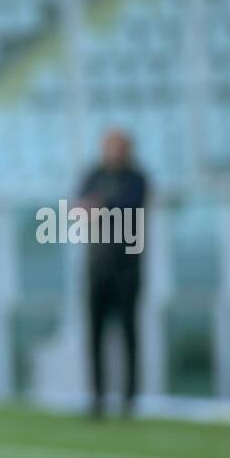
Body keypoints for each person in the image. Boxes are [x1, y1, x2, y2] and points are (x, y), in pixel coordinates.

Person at [78, 129, 150, 419]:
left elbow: (130, 206)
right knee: (95, 334)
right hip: (98, 266)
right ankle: (97, 398)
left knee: (128, 333)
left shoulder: (137, 177)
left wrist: (102, 206)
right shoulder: (93, 175)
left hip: (128, 267)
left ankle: (129, 399)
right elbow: (80, 208)